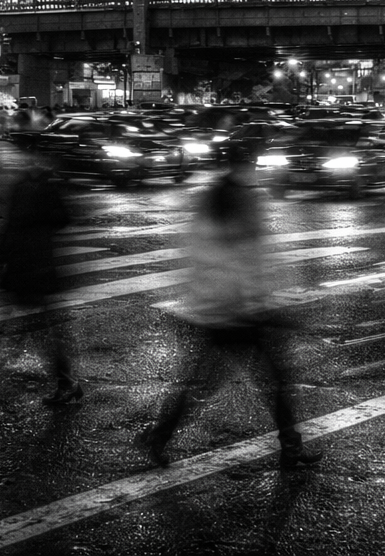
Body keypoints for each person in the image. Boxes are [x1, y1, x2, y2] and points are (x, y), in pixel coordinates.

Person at [135, 148, 321, 469]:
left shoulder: (212, 200)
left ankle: (158, 437)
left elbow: (200, 256)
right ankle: (291, 449)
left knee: (205, 382)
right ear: (246, 166)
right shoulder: (241, 202)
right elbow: (250, 259)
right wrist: (262, 303)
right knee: (274, 381)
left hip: (217, 311)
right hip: (240, 313)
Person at [0, 153, 83, 405]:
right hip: (31, 266)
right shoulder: (39, 186)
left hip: (28, 267)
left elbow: (14, 227)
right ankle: (64, 382)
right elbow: (60, 219)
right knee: (30, 330)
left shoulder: (30, 188)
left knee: (21, 331)